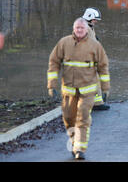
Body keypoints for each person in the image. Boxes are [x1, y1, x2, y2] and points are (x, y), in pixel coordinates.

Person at [47, 18, 110, 160]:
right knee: (69, 118)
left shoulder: (95, 46)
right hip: (69, 90)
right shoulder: (64, 43)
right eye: (77, 28)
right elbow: (54, 63)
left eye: (82, 28)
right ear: (73, 29)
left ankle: (79, 149)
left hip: (87, 91)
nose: (80, 30)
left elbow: (103, 67)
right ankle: (73, 140)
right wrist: (52, 85)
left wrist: (105, 88)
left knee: (83, 118)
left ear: (86, 29)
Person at [82, 7, 110, 111]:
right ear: (89, 17)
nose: (96, 21)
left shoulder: (89, 27)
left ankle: (97, 102)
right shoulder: (84, 28)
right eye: (95, 19)